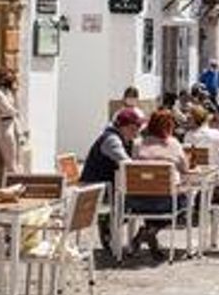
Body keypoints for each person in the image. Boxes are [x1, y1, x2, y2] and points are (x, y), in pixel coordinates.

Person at [127, 109, 190, 259]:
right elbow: (185, 169)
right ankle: (149, 232)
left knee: (151, 191)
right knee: (185, 201)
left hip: (137, 202)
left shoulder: (137, 144)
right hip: (166, 202)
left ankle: (149, 234)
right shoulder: (173, 144)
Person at [81, 108, 144, 248]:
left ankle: (110, 225)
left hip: (107, 186)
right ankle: (107, 221)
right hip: (96, 189)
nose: (136, 133)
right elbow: (127, 164)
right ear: (123, 127)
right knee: (135, 203)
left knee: (135, 200)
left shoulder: (120, 138)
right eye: (134, 128)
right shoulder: (111, 140)